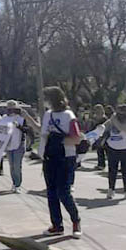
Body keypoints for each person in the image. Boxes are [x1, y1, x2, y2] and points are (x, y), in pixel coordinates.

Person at [39, 87, 82, 237]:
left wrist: (59, 139)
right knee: (51, 193)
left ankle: (76, 221)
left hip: (65, 157)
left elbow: (76, 138)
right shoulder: (47, 115)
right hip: (49, 157)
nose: (44, 101)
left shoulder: (68, 115)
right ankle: (57, 225)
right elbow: (43, 134)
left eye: (46, 98)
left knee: (63, 192)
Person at [103, 104, 126, 200]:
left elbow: (122, 128)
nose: (119, 115)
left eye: (122, 112)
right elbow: (105, 126)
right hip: (112, 148)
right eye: (118, 112)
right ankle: (111, 190)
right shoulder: (113, 119)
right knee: (112, 170)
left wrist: (113, 118)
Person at [2, 100, 30, 193]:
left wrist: (19, 126)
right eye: (9, 109)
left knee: (17, 165)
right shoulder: (4, 118)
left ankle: (18, 185)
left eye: (13, 108)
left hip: (19, 145)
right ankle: (14, 183)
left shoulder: (21, 119)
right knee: (12, 166)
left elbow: (26, 130)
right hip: (8, 145)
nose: (11, 111)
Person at [90, 104, 108, 169]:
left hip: (103, 136)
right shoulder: (95, 117)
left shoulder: (104, 118)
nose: (96, 110)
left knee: (106, 150)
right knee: (99, 151)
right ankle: (101, 164)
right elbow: (93, 127)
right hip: (97, 136)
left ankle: (108, 165)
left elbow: (106, 127)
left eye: (98, 109)